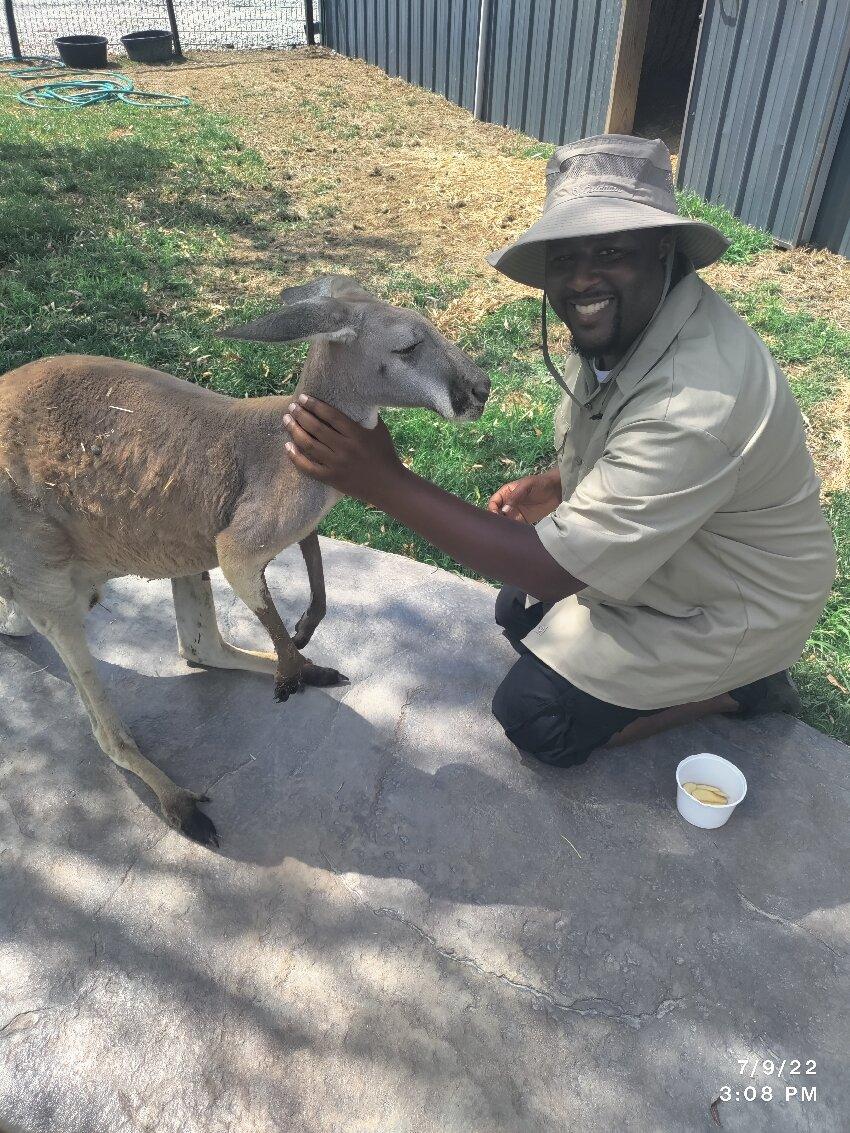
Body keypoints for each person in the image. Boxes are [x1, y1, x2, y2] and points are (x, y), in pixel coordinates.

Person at [283, 134, 836, 769]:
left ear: (664, 248)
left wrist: (384, 481)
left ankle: (741, 689)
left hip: (735, 602)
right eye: (564, 257)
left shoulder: (697, 401)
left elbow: (553, 567)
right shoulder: (633, 320)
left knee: (535, 716)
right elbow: (626, 438)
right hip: (680, 555)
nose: (580, 280)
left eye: (610, 251)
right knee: (516, 612)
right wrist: (559, 480)